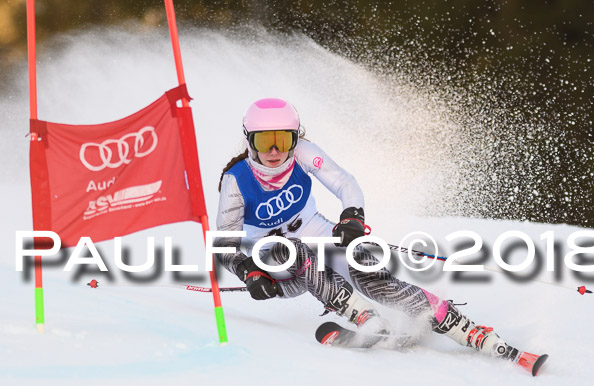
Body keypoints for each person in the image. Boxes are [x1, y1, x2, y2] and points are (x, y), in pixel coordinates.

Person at [213, 97, 540, 370]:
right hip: (275, 266)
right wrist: (249, 271)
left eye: (283, 140)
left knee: (368, 272)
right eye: (263, 141)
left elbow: (344, 183)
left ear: (295, 139)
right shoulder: (236, 181)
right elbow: (225, 243)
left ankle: (460, 326)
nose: (275, 150)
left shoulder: (303, 154)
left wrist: (352, 218)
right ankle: (366, 319)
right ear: (248, 140)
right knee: (293, 250)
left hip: (318, 236)